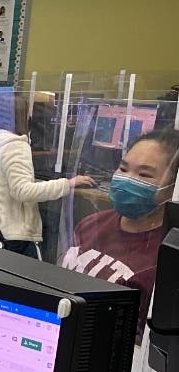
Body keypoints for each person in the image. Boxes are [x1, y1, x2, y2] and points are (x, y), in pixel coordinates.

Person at [60, 128, 179, 339]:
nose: (126, 180)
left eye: (144, 175)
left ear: (173, 187)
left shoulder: (165, 256)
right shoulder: (91, 224)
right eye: (123, 168)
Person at [0, 95, 94, 258]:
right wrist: (68, 183)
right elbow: (23, 191)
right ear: (22, 116)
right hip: (12, 237)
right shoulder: (14, 146)